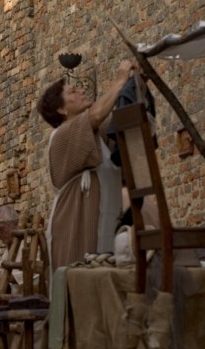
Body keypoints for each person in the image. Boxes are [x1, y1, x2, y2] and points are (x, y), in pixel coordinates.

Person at [38, 60, 136, 271]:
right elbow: (97, 114)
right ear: (61, 109)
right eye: (73, 90)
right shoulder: (62, 135)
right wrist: (120, 81)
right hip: (76, 227)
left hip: (106, 225)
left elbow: (117, 117)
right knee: (80, 287)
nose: (82, 90)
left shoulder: (96, 135)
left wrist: (137, 82)